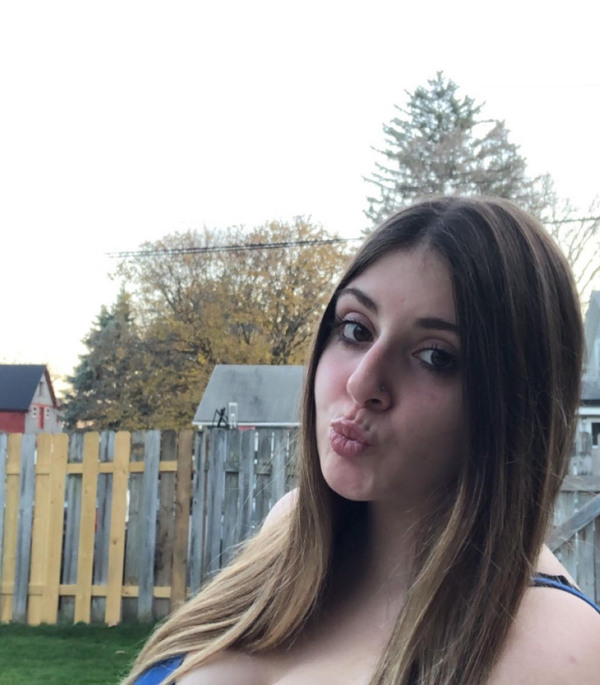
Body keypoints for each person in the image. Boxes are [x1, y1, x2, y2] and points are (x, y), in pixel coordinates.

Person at [123, 197, 600, 685]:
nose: (361, 382)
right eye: (355, 329)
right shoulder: (289, 533)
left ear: (516, 404)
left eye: (435, 357)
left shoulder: (559, 649)